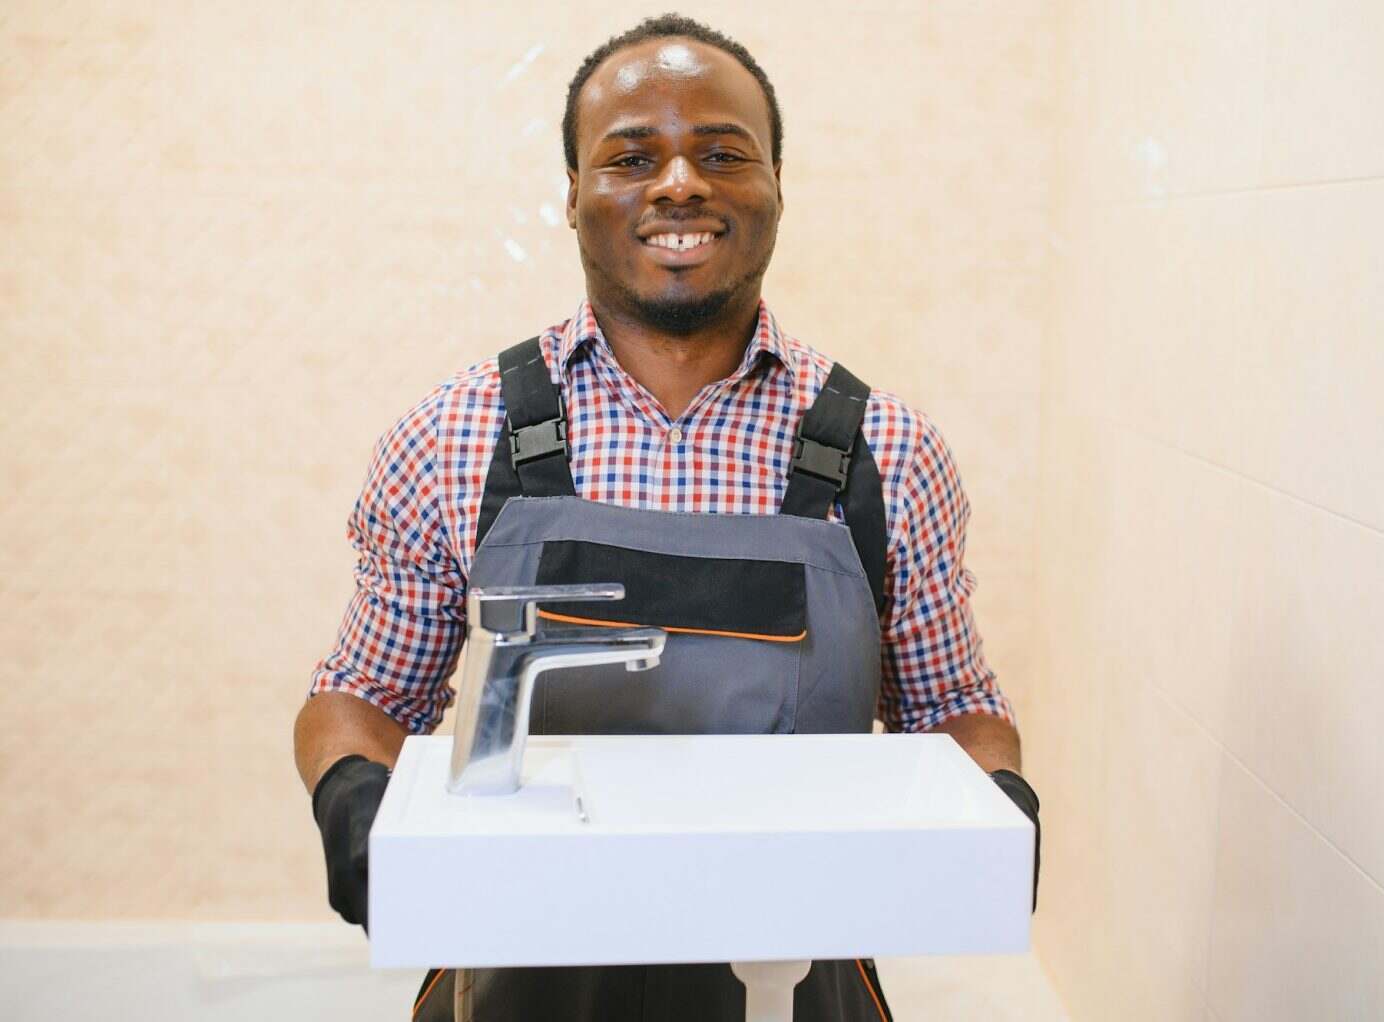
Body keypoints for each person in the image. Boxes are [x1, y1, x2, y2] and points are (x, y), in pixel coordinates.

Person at [293, 14, 1041, 1021]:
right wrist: (354, 797)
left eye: (724, 154)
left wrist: (998, 802)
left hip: (794, 983)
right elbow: (363, 695)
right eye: (632, 156)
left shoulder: (888, 451)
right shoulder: (454, 434)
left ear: (777, 187)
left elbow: (953, 709)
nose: (680, 182)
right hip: (515, 978)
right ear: (572, 196)